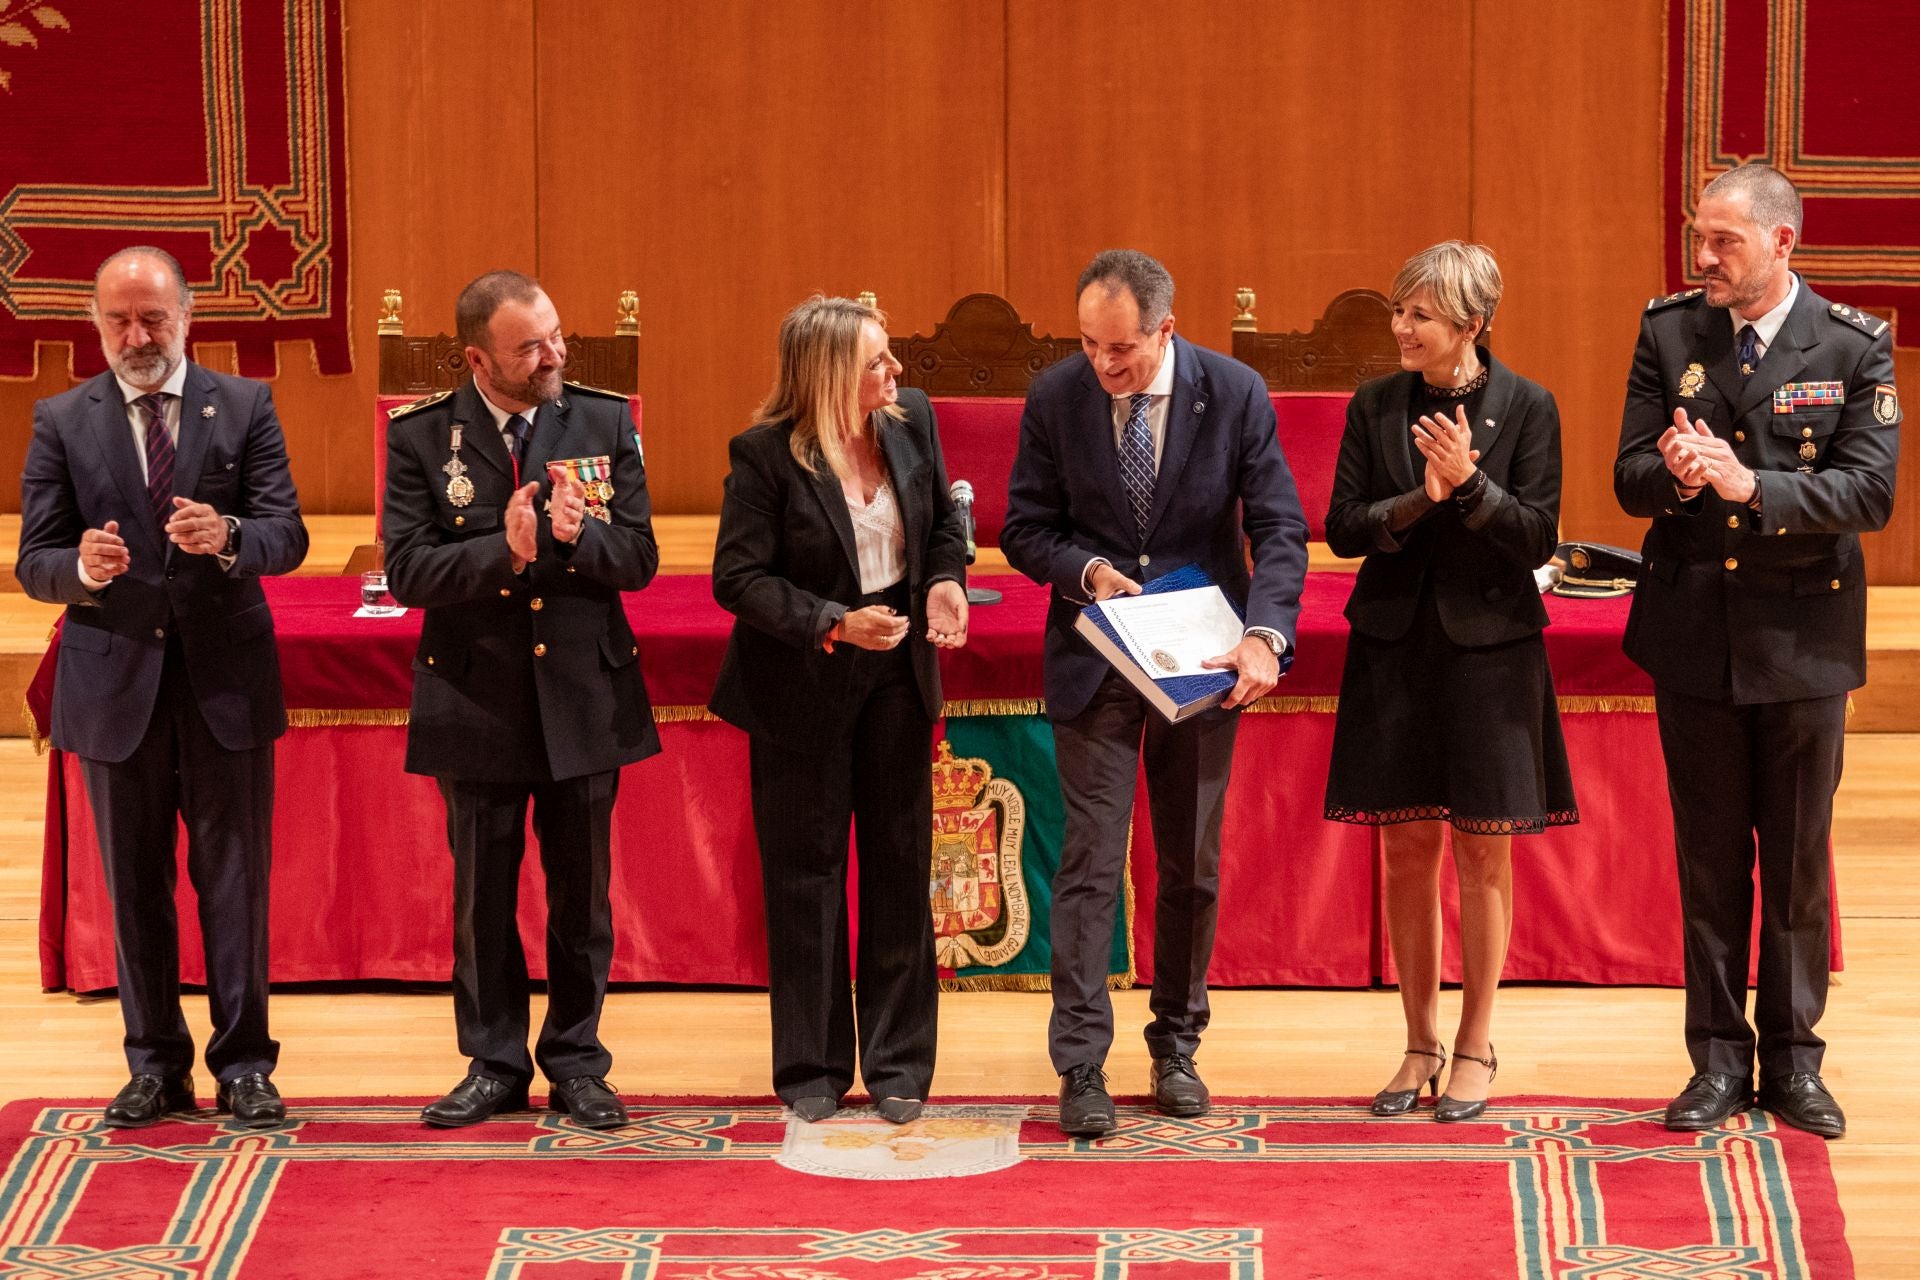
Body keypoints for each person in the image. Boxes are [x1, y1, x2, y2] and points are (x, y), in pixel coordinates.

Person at [1615, 164, 1900, 1139]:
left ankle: (1793, 1058)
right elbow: (1630, 475)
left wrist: (1750, 488)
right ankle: (1715, 1058)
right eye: (1700, 237)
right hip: (1695, 631)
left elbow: (1870, 494)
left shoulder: (1856, 344)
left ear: (1782, 244)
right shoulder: (1670, 330)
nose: (1703, 258)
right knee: (1708, 862)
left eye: (1723, 242)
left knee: (1793, 863)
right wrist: (1683, 481)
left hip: (1804, 639)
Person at [1001, 249, 1308, 1136]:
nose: (1105, 366)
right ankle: (1082, 1066)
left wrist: (1266, 633)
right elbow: (1024, 526)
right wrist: (1087, 570)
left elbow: (1280, 525)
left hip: (1204, 665)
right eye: (1091, 346)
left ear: (1167, 330)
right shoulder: (1059, 395)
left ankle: (1176, 1045)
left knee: (1192, 865)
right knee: (1090, 864)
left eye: (1124, 350)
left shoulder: (1235, 392)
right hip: (1098, 654)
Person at [16, 246, 309, 1129]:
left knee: (235, 882)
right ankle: (155, 1065)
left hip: (224, 681)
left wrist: (226, 536)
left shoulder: (245, 404)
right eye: (118, 320)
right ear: (96, 324)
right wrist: (81, 568)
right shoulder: (63, 418)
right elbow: (35, 559)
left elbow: (285, 534)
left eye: (152, 317)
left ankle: (246, 1064)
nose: (136, 336)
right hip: (114, 689)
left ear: (188, 315)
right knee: (134, 883)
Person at [383, 270, 661, 1130]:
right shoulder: (425, 436)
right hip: (478, 696)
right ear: (477, 357)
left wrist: (581, 539)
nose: (553, 355)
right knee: (483, 896)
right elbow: (407, 570)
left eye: (556, 335)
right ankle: (493, 1061)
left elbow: (642, 559)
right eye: (530, 347)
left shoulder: (604, 420)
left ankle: (577, 1060)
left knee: (581, 897)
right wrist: (498, 555)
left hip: (582, 691)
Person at [1322, 241, 1575, 1122]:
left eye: (1419, 314)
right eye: (1399, 310)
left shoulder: (1528, 406)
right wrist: (1422, 498)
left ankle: (1475, 1045)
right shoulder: (1375, 405)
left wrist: (1469, 485)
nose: (1400, 327)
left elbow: (1538, 535)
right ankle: (1418, 1042)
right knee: (1405, 848)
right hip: (1395, 646)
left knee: (1481, 847)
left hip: (1491, 651)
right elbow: (1345, 527)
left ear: (1472, 322)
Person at [710, 296, 970, 1124]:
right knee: (806, 876)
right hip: (803, 680)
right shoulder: (763, 457)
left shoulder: (910, 420)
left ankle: (898, 1067)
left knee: (899, 866)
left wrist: (945, 583)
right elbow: (737, 578)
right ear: (828, 376)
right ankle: (813, 1068)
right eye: (877, 362)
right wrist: (831, 623)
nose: (896, 374)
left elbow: (943, 530)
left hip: (897, 670)